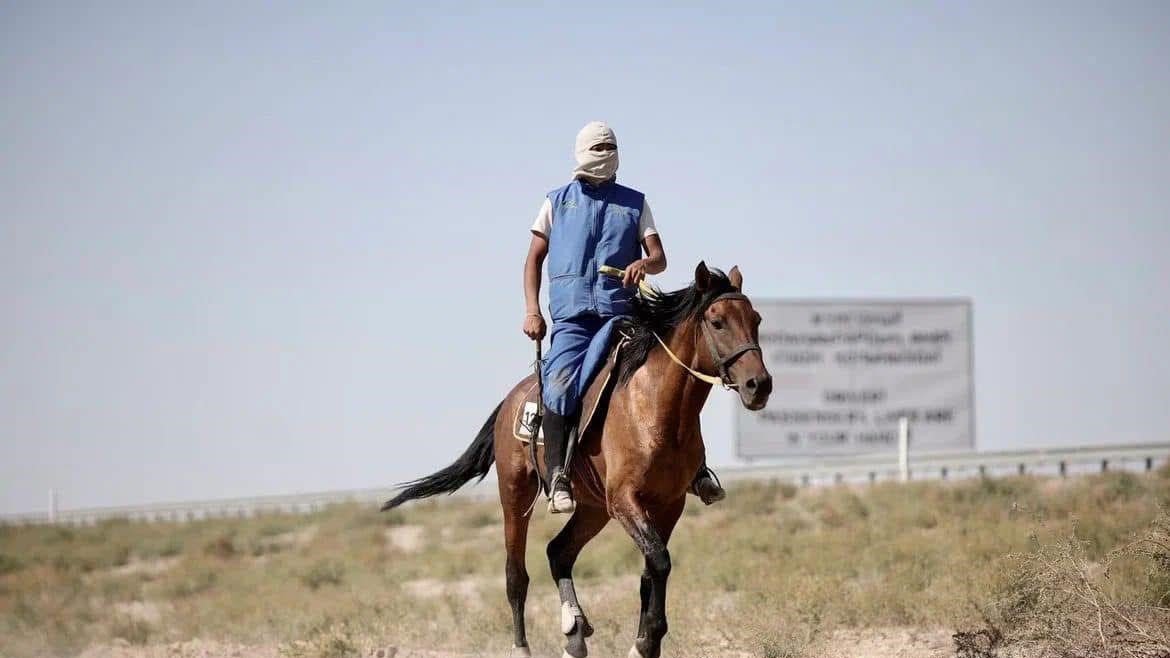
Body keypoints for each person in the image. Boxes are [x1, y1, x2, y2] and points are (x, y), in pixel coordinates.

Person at [522, 121, 726, 513]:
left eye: (606, 149)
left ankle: (697, 467)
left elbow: (659, 257)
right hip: (573, 320)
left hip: (622, 314)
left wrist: (644, 265)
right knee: (560, 384)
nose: (601, 156)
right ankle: (559, 474)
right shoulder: (556, 201)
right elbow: (533, 259)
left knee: (669, 377)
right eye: (595, 149)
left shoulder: (635, 203)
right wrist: (532, 310)